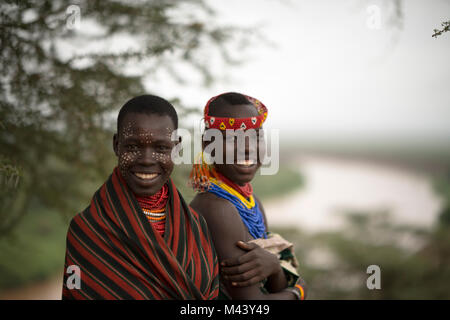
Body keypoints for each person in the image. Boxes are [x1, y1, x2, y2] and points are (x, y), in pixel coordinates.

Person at [62, 95, 219, 300]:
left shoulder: (197, 226)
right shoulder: (87, 230)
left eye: (161, 148)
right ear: (117, 145)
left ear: (177, 148)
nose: (146, 160)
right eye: (133, 147)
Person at [189, 92, 307, 300]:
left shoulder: (253, 203)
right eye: (233, 138)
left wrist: (275, 268)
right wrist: (299, 292)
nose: (247, 148)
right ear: (208, 145)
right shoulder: (219, 209)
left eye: (256, 136)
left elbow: (272, 285)